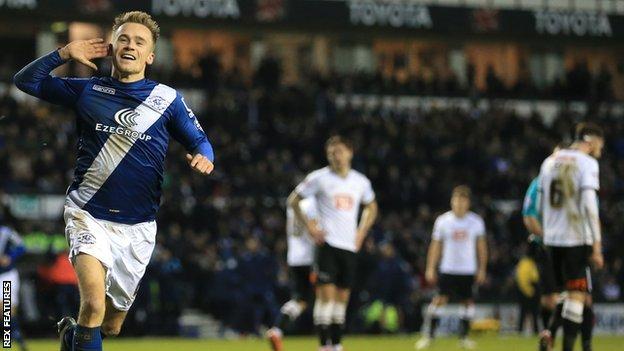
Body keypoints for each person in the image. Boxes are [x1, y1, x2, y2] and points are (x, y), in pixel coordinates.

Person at [13, 11, 214, 351]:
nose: (130, 45)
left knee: (112, 324)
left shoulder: (167, 100)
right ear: (112, 46)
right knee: (93, 304)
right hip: (87, 213)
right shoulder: (88, 90)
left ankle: (72, 338)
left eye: (139, 41)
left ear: (150, 55)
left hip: (138, 228)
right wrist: (62, 54)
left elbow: (200, 141)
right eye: (123, 38)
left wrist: (204, 156)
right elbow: (25, 81)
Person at [289, 135, 378, 351]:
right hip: (327, 245)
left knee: (342, 300)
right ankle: (324, 345)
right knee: (325, 298)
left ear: (350, 153)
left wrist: (361, 232)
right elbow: (294, 200)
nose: (334, 156)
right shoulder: (319, 178)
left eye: (338, 152)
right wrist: (311, 228)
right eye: (330, 153)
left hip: (349, 246)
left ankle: (336, 345)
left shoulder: (360, 182)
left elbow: (371, 206)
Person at [537, 122, 604, 351]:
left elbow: (540, 203)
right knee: (578, 296)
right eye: (600, 146)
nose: (600, 151)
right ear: (591, 141)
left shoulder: (549, 162)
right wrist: (596, 244)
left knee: (568, 293)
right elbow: (589, 205)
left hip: (552, 240)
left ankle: (549, 332)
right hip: (575, 239)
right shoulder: (587, 163)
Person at [416, 185, 487, 350]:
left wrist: (482, 268)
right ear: (451, 201)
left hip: (468, 269)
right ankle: (429, 336)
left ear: (468, 203)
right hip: (447, 268)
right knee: (440, 300)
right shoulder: (443, 221)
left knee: (467, 302)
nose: (459, 203)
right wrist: (430, 268)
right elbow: (435, 246)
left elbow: (481, 247)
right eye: (456, 200)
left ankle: (464, 338)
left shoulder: (476, 222)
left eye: (462, 200)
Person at [266, 197, 318, 351]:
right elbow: (316, 229)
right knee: (326, 298)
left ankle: (277, 329)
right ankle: (329, 344)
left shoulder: (295, 204)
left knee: (300, 300)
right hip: (311, 257)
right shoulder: (315, 203)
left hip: (295, 257)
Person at [0, 223, 27, 351]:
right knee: (6, 312)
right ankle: (16, 337)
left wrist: (10, 257)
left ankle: (8, 341)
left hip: (6, 275)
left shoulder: (7, 232)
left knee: (6, 309)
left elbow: (22, 247)